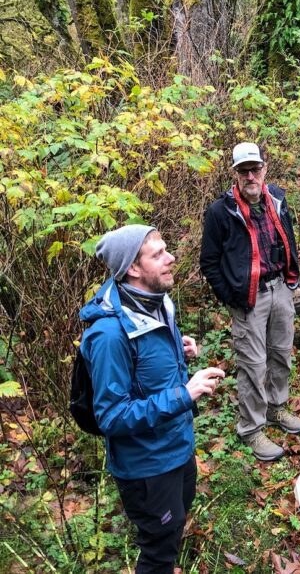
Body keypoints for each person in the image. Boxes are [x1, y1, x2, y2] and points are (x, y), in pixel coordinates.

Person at [79, 225, 224, 573]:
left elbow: (146, 366)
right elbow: (111, 416)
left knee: (173, 527)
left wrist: (178, 348)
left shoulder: (157, 302)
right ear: (132, 268)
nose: (171, 258)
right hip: (147, 469)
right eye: (157, 254)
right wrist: (185, 394)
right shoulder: (109, 334)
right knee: (158, 551)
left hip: (178, 447)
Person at [200, 142, 300, 462]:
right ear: (235, 173)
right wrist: (231, 297)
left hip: (280, 290)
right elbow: (209, 262)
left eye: (255, 168)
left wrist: (291, 279)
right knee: (252, 364)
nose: (250, 175)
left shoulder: (276, 199)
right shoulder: (221, 211)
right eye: (243, 170)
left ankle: (276, 408)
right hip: (248, 299)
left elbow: (286, 239)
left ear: (264, 169)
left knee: (280, 354)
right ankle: (251, 428)